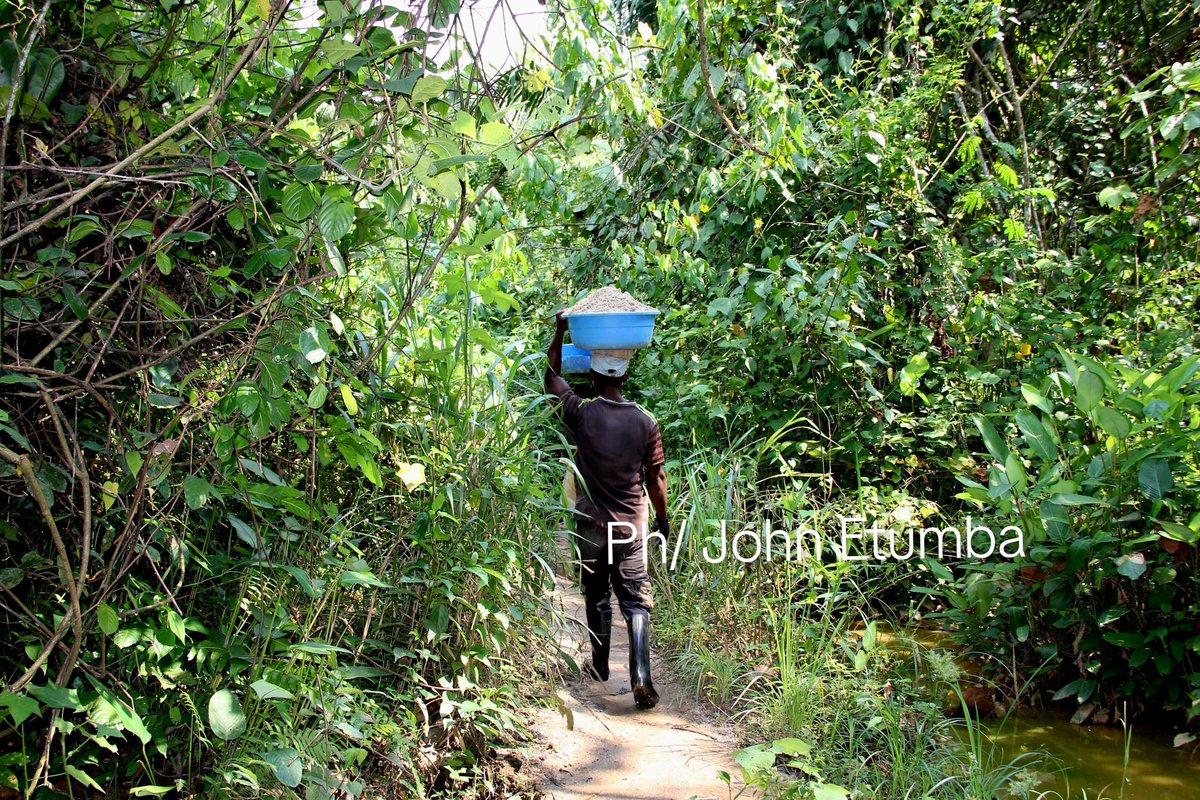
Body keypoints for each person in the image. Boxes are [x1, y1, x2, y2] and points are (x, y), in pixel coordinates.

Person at [545, 310, 669, 710]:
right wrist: (663, 519)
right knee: (636, 601)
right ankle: (641, 677)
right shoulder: (646, 423)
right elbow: (657, 479)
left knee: (596, 593)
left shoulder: (580, 414)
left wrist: (561, 329)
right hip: (631, 527)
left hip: (591, 528)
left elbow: (551, 377)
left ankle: (599, 668)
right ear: (625, 378)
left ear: (594, 378)